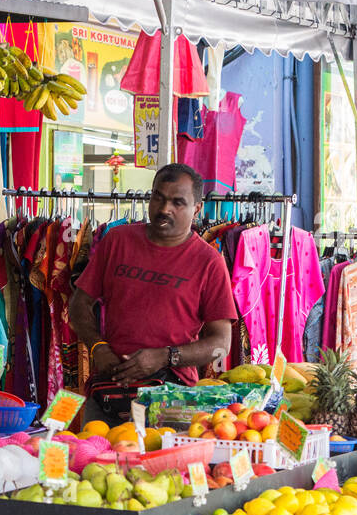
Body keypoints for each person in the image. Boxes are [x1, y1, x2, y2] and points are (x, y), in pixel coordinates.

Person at [68, 162, 237, 424]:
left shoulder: (209, 262)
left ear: (197, 209)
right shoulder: (117, 241)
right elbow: (79, 305)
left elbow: (220, 344)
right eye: (158, 197)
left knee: (162, 465)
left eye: (177, 202)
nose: (164, 208)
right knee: (94, 460)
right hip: (109, 389)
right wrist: (98, 347)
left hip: (173, 398)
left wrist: (165, 356)